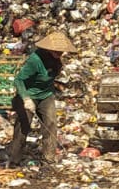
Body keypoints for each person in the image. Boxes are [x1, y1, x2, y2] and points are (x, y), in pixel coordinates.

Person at [6, 31, 76, 166]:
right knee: (23, 127)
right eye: (57, 50)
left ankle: (48, 158)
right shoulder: (35, 60)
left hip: (46, 95)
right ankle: (14, 159)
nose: (59, 53)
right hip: (29, 94)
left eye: (61, 51)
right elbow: (19, 80)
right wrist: (26, 99)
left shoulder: (57, 60)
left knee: (50, 124)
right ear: (49, 48)